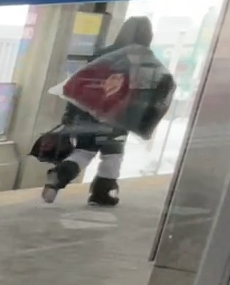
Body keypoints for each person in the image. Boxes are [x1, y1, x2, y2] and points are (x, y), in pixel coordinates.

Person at [41, 16, 158, 208]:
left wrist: (71, 113)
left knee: (84, 151)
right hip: (118, 118)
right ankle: (101, 193)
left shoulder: (101, 55)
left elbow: (78, 84)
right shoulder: (145, 61)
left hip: (87, 113)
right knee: (112, 155)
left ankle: (59, 175)